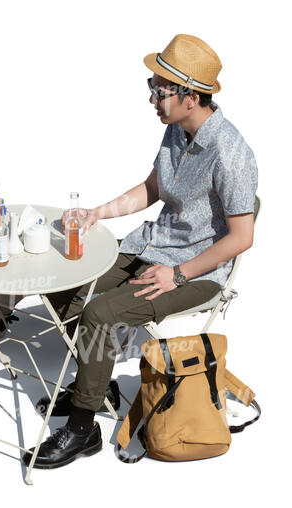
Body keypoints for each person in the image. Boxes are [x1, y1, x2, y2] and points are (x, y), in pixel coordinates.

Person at [25, 34, 258, 469]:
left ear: (190, 97)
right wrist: (100, 212)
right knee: (62, 282)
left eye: (159, 89)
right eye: (151, 86)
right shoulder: (176, 131)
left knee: (99, 313)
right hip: (149, 246)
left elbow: (241, 238)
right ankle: (94, 384)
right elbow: (153, 188)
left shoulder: (232, 154)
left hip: (195, 272)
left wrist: (180, 274)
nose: (151, 97)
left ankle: (82, 428)